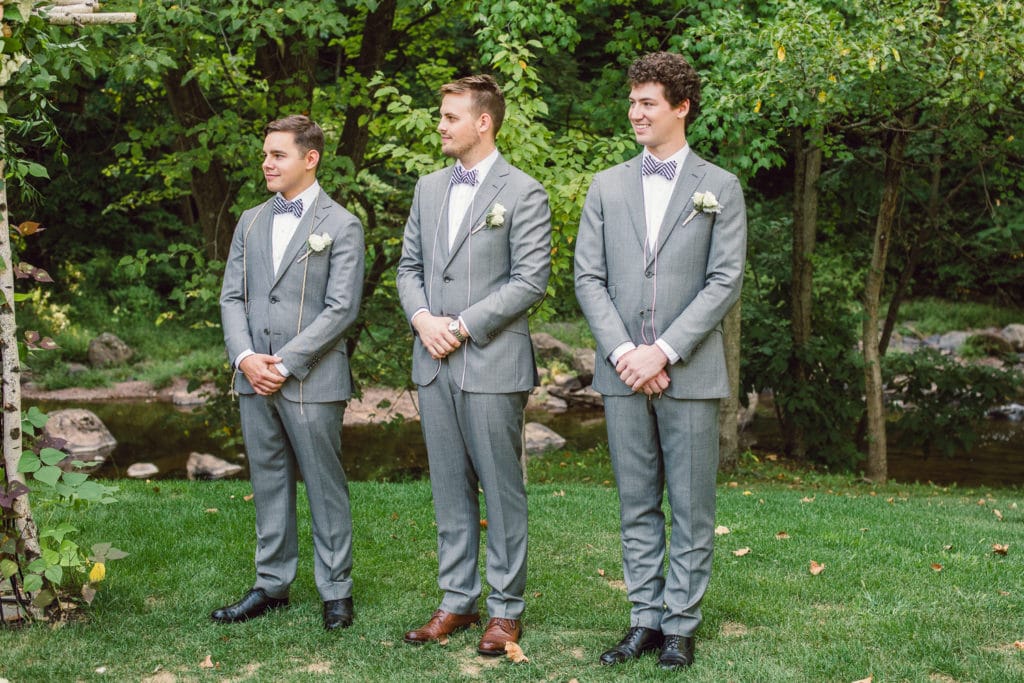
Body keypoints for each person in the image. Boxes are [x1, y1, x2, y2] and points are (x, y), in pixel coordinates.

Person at [574, 52, 747, 670]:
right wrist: (626, 353)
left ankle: (681, 623)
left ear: (681, 107)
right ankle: (643, 618)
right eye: (632, 102)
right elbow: (587, 277)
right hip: (623, 374)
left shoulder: (720, 186)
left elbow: (724, 282)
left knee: (692, 504)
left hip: (688, 371)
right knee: (636, 500)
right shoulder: (607, 184)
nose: (635, 112)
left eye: (648, 102)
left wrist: (663, 351)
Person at [396, 74, 551, 656]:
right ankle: (456, 601)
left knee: (501, 489)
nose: (440, 125)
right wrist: (423, 321)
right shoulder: (428, 188)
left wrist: (460, 325)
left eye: (450, 117)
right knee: (448, 489)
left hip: (490, 360)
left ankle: (506, 610)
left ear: (483, 122)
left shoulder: (525, 192)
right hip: (431, 361)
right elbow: (408, 267)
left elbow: (530, 280)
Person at [215, 115, 365, 631]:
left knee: (325, 484)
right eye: (265, 154)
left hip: (311, 379)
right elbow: (232, 296)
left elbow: (342, 309)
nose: (266, 163)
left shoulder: (342, 224)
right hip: (252, 377)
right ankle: (271, 584)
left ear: (310, 158)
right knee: (269, 480)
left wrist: (286, 362)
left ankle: (336, 590)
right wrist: (245, 358)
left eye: (277, 154)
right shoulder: (250, 221)